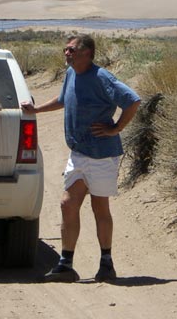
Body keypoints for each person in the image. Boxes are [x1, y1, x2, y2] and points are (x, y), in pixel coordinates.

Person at [21, 33, 141, 283]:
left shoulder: (101, 77)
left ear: (87, 52)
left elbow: (132, 100)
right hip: (78, 153)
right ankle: (66, 264)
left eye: (71, 49)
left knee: (100, 208)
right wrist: (37, 110)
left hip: (102, 155)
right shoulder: (71, 74)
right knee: (68, 204)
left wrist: (116, 128)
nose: (66, 53)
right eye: (65, 49)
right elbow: (64, 99)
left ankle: (106, 263)